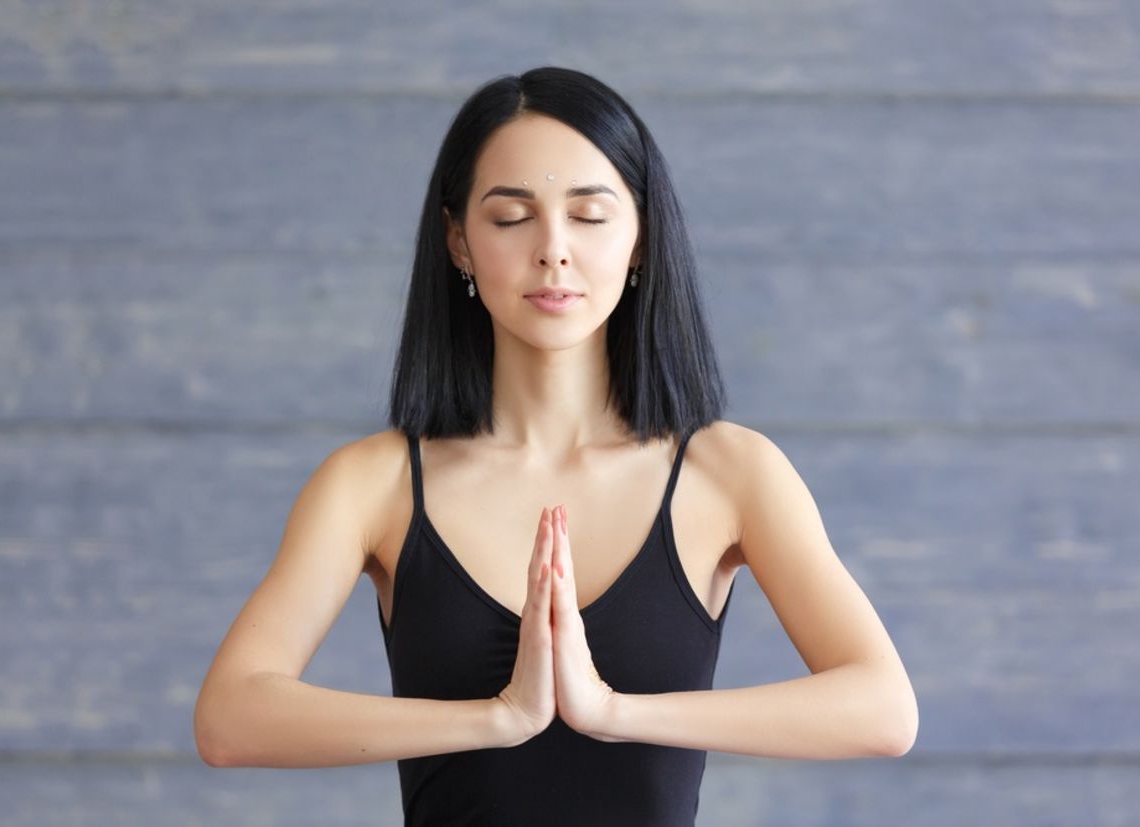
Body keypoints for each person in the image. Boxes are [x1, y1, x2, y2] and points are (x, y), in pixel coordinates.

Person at [193, 66, 918, 826]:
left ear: (640, 238)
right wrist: (497, 718)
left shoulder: (730, 472)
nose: (553, 251)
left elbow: (882, 708)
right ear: (459, 242)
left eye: (591, 216)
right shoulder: (370, 484)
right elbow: (230, 717)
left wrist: (613, 711)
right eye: (511, 218)